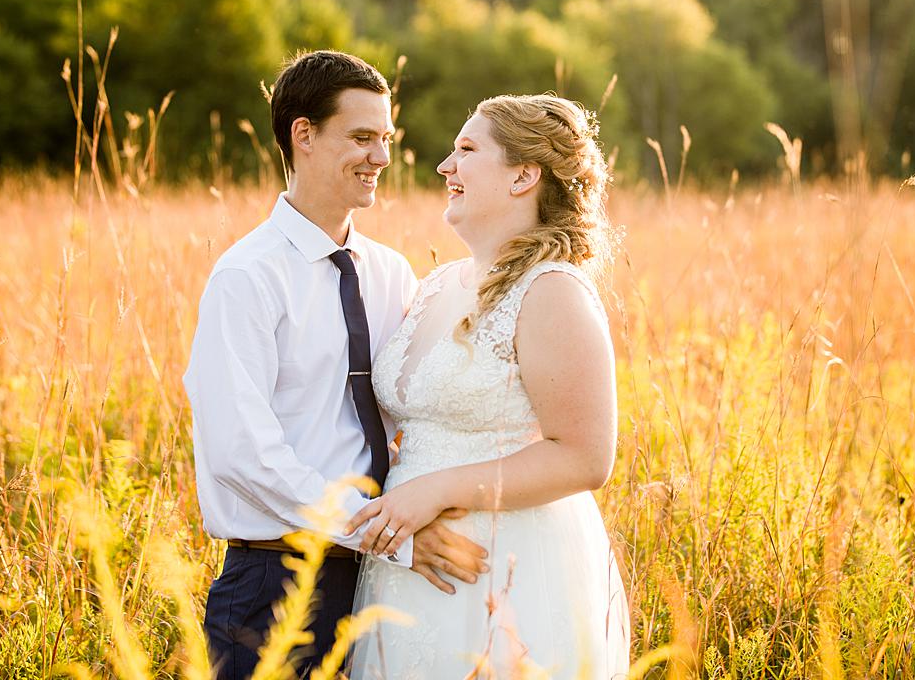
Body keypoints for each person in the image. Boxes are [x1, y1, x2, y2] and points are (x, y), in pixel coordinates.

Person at [183, 50, 489, 680]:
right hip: (278, 580)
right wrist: (389, 536)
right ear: (304, 135)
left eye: (386, 138)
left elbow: (409, 413)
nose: (382, 157)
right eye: (361, 137)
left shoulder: (390, 272)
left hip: (385, 580)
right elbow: (242, 455)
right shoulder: (246, 278)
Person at [347, 93, 631, 678]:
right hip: (409, 569)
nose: (445, 167)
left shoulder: (552, 290)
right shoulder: (434, 285)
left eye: (467, 150)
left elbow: (584, 457)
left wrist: (437, 490)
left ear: (524, 175)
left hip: (506, 566)